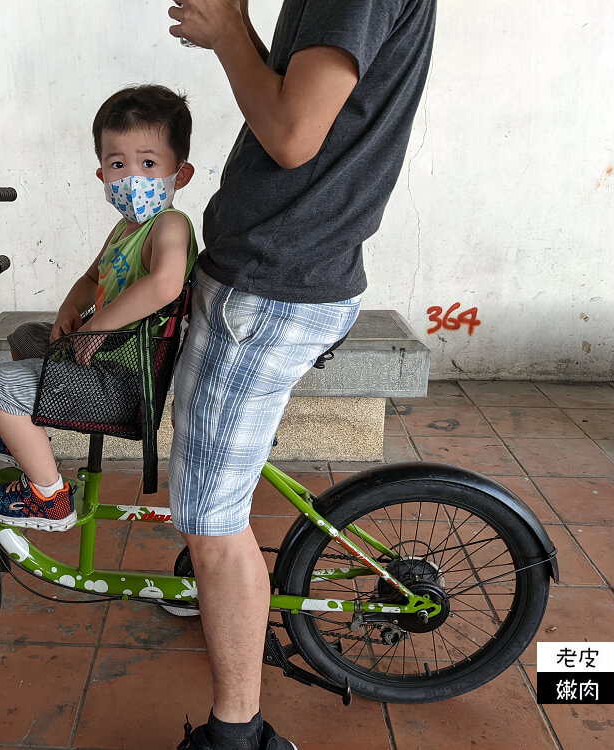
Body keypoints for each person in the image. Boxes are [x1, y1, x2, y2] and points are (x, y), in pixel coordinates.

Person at [166, 1, 436, 748]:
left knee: (212, 523)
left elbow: (290, 135)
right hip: (281, 275)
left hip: (272, 285)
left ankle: (237, 733)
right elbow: (297, 106)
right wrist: (241, 29)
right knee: (216, 507)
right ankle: (217, 585)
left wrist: (226, 35)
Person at [0, 84, 198, 531]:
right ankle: (29, 434)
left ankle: (49, 496)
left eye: (149, 163)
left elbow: (166, 284)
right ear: (102, 175)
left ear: (182, 173)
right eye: (118, 164)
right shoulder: (125, 228)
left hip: (125, 380)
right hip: (100, 359)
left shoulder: (169, 224)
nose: (132, 177)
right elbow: (92, 278)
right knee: (26, 335)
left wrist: (96, 326)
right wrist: (68, 312)